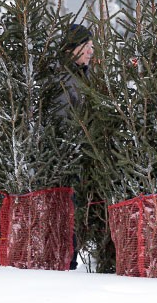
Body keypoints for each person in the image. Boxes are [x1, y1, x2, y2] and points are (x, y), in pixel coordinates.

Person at [58, 23, 93, 270]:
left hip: (87, 156)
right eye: (87, 46)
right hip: (68, 157)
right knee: (68, 211)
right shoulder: (61, 79)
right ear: (72, 48)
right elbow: (63, 118)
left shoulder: (85, 74)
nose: (91, 51)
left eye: (92, 46)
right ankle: (67, 261)